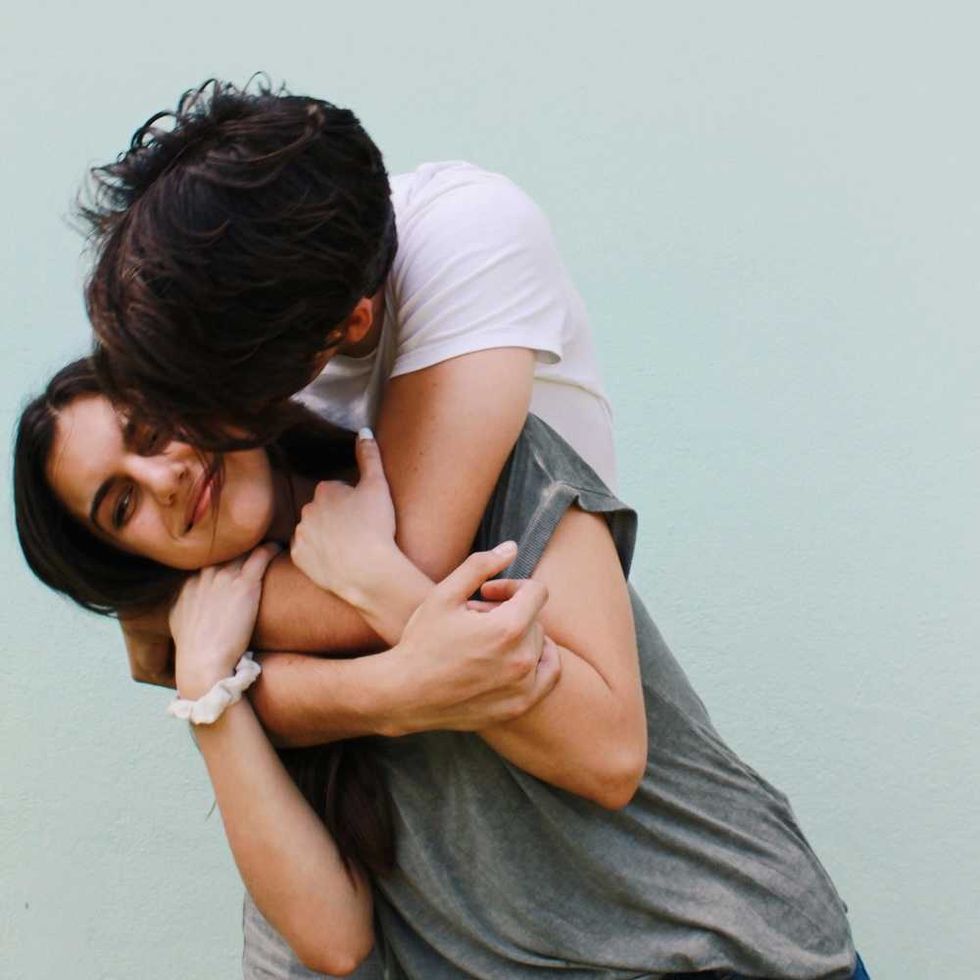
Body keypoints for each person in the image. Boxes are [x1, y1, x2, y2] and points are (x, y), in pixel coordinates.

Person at [14, 360, 868, 980]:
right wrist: (208, 695)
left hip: (736, 951)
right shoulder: (234, 667)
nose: (164, 478)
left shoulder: (477, 466)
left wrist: (376, 589)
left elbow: (607, 756)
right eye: (120, 503)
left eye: (151, 431)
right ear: (128, 558)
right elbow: (334, 942)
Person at [81, 79, 615, 753]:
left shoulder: (467, 232)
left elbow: (390, 580)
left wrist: (169, 615)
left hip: (572, 683)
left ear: (352, 323)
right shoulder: (219, 312)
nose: (190, 440)